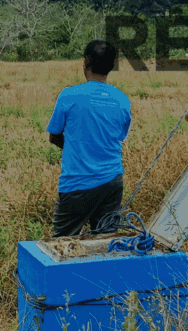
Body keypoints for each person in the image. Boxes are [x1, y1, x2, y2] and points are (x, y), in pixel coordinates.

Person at [46, 40, 132, 237]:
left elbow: (54, 136)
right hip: (112, 181)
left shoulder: (69, 95)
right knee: (106, 241)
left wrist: (75, 148)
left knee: (62, 243)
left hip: (76, 182)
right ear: (112, 66)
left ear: (85, 63)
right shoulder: (122, 100)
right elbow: (118, 138)